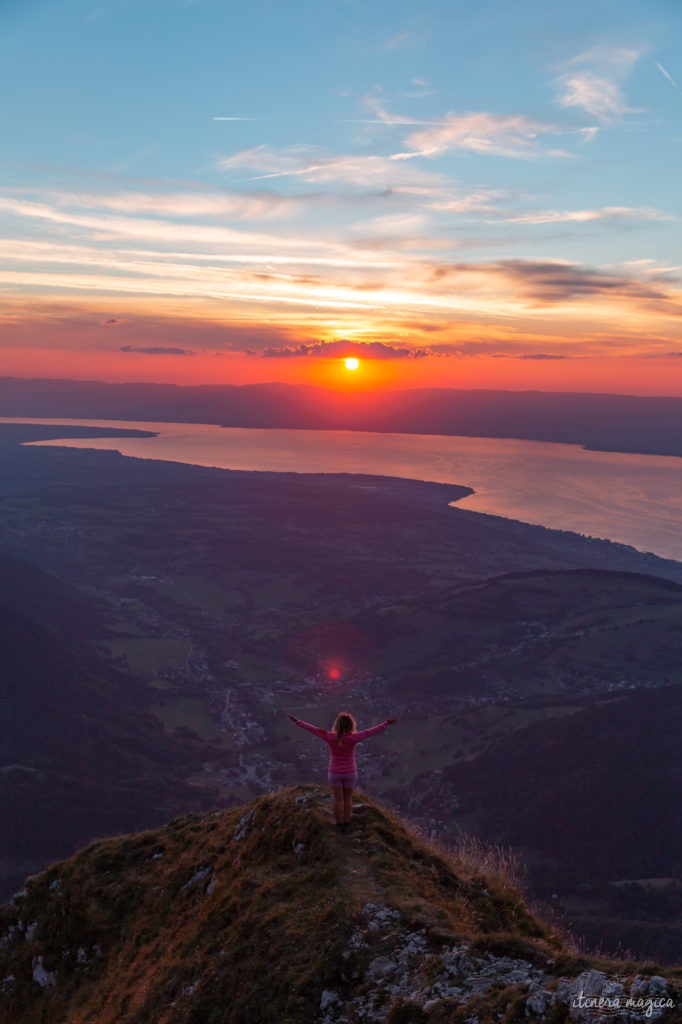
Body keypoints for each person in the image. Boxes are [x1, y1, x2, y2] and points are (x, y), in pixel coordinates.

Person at [288, 711, 397, 832]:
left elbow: (314, 730)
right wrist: (386, 723)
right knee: (347, 799)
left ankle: (338, 824)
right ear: (351, 725)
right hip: (350, 773)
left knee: (338, 800)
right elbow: (370, 731)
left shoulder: (329, 736)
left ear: (337, 725)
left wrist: (298, 722)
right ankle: (346, 823)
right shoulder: (354, 737)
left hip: (334, 772)